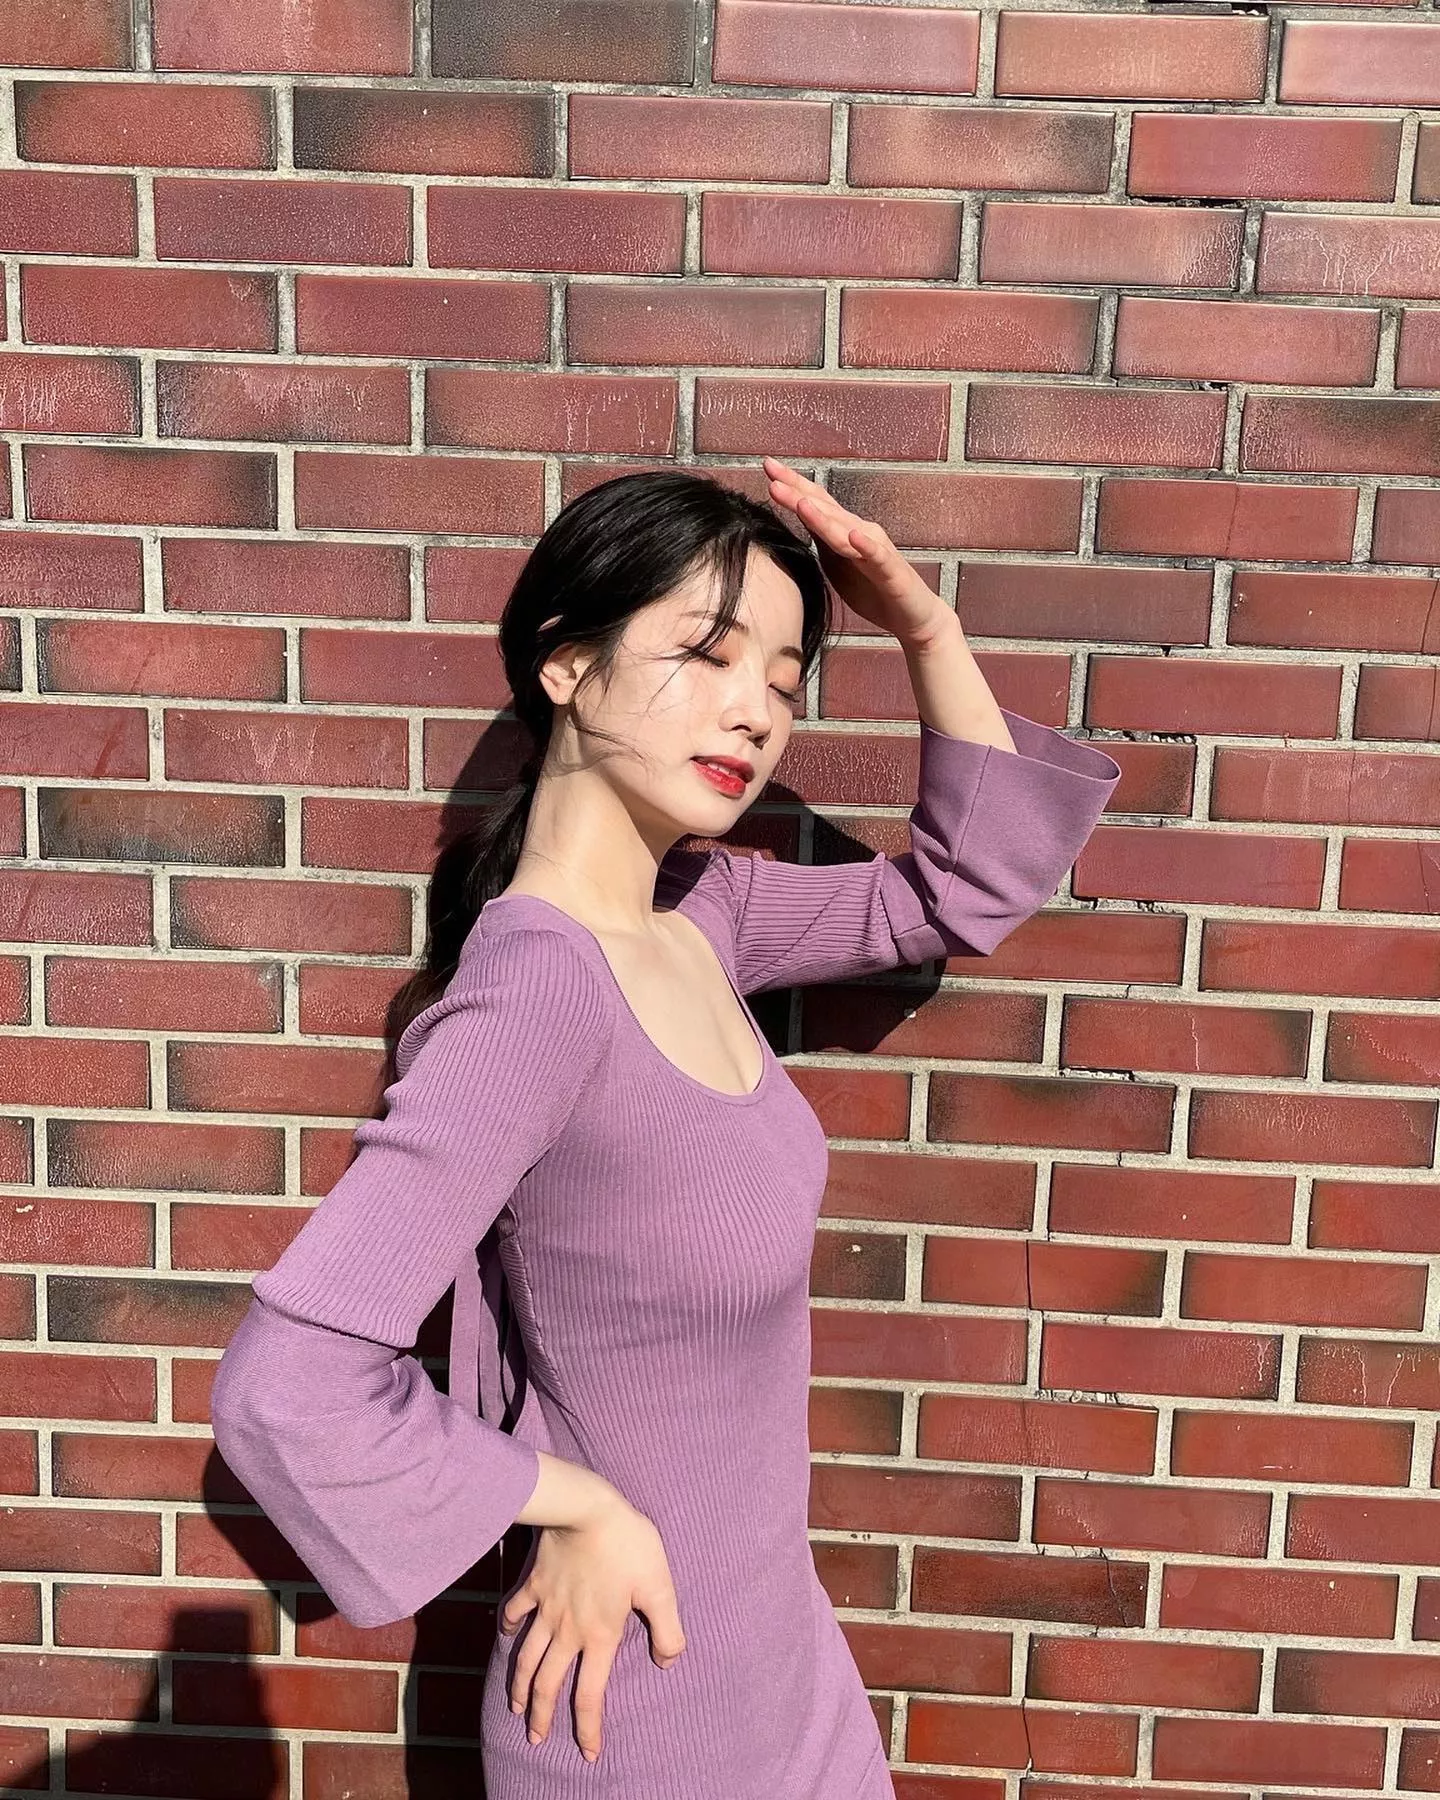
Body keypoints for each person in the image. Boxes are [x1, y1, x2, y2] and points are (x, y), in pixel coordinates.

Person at [209, 456, 1122, 1798]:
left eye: (787, 679)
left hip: (786, 1671)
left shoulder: (707, 915)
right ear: (565, 663)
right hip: (633, 1710)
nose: (755, 711)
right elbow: (288, 1384)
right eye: (706, 653)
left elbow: (964, 886)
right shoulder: (536, 992)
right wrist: (568, 1500)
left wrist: (923, 625)